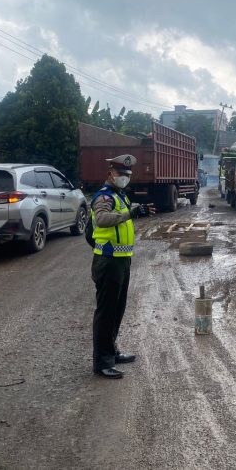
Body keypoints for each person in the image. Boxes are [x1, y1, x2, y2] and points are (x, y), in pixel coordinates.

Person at [90, 154, 152, 379]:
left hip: (122, 260)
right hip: (108, 262)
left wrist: (136, 211)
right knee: (106, 313)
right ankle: (102, 362)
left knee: (117, 310)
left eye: (127, 175)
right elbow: (101, 220)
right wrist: (130, 213)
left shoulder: (120, 196)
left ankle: (112, 351)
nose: (124, 178)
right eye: (120, 174)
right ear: (110, 174)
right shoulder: (104, 197)